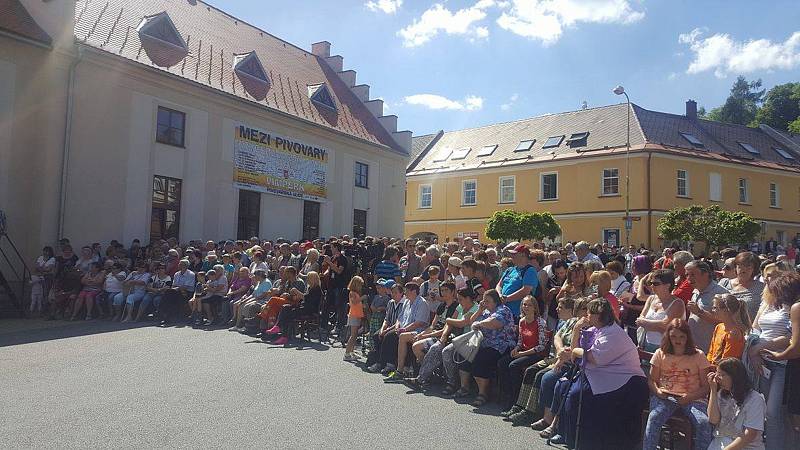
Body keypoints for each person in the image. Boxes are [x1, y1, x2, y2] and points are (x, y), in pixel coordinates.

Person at [556, 298, 649, 449]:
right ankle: (567, 434)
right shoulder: (595, 329)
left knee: (577, 394)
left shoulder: (613, 333)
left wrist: (575, 352)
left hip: (626, 380)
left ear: (598, 315)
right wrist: (576, 330)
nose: (586, 315)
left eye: (589, 313)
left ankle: (582, 440)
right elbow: (577, 352)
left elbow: (593, 357)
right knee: (564, 386)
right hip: (603, 373)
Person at [643, 319, 713, 450]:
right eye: (673, 336)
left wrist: (689, 397)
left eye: (681, 336)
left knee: (703, 422)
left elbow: (705, 387)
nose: (677, 340)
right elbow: (652, 380)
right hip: (666, 396)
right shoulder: (660, 353)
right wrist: (658, 392)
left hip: (693, 398)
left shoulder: (698, 355)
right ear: (668, 336)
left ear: (687, 337)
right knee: (654, 418)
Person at [446, 289, 516, 407]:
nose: (485, 303)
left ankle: (483, 393)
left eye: (487, 301)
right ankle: (465, 387)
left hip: (501, 346)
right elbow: (471, 321)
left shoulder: (503, 310)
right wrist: (479, 310)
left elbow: (495, 323)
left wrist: (480, 324)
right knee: (464, 353)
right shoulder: (486, 311)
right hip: (484, 343)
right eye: (483, 300)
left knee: (480, 358)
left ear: (495, 301)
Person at [747, 272, 793, 450]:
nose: (767, 282)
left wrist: (760, 347)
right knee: (764, 410)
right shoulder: (766, 303)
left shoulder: (792, 307)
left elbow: (791, 337)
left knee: (774, 412)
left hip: (782, 363)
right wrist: (755, 352)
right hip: (762, 363)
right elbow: (755, 328)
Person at [760, 272, 800, 435]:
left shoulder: (797, 307)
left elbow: (796, 346)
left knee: (795, 419)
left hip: (795, 365)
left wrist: (778, 356)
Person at [498, 296, 548, 415]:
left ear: (535, 307)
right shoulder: (521, 321)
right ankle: (507, 395)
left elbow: (541, 346)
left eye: (529, 305)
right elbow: (520, 340)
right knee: (502, 363)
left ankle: (516, 399)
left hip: (536, 354)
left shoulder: (540, 322)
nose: (526, 307)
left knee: (514, 365)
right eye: (524, 304)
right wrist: (516, 349)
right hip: (523, 351)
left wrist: (522, 354)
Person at [707, 358, 766, 450]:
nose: (717, 378)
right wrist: (713, 390)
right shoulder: (721, 394)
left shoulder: (755, 399)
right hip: (720, 442)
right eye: (717, 374)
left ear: (734, 376)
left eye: (722, 375)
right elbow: (713, 420)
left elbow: (750, 434)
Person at [686, 260, 730, 353]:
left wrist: (699, 312)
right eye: (687, 275)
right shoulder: (696, 291)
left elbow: (726, 321)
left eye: (693, 275)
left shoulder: (720, 293)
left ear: (705, 274)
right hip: (693, 348)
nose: (689, 279)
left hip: (710, 350)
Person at [636, 269, 686, 351]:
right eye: (651, 283)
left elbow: (667, 325)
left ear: (668, 285)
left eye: (656, 283)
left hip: (667, 348)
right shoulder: (651, 299)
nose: (652, 286)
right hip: (646, 345)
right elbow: (639, 321)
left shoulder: (677, 303)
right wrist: (659, 328)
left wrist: (645, 324)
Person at [719, 252, 765, 322]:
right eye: (740, 266)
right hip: (724, 329)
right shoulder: (724, 283)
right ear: (735, 267)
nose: (744, 270)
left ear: (754, 269)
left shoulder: (761, 288)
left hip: (748, 330)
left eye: (748, 267)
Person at [496, 244, 538, 319]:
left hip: (517, 314)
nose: (512, 256)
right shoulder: (510, 270)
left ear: (523, 255)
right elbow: (499, 285)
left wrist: (506, 299)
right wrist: (499, 295)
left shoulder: (530, 271)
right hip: (503, 311)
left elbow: (526, 291)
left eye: (514, 254)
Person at [344, 276, 365, 361]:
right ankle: (347, 354)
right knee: (353, 335)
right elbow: (354, 302)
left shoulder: (356, 293)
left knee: (355, 335)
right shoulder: (352, 293)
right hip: (353, 316)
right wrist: (362, 298)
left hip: (357, 315)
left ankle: (352, 352)